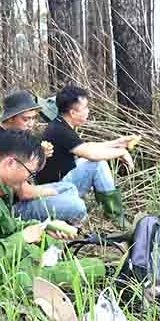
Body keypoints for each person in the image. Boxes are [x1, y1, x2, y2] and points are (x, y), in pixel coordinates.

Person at [0, 129, 105, 289]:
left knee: (52, 243)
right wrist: (23, 238)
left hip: (0, 258)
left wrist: (44, 227)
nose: (28, 179)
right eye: (29, 173)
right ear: (10, 163)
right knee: (84, 269)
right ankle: (109, 271)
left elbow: (5, 226)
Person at [37, 85, 136, 226]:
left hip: (57, 183)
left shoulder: (60, 124)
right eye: (85, 108)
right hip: (55, 192)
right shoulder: (61, 130)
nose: (88, 111)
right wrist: (121, 152)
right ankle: (116, 217)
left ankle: (113, 213)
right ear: (72, 112)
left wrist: (118, 143)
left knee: (92, 161)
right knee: (97, 164)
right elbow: (91, 154)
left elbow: (86, 147)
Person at [0, 90, 87, 223]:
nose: (31, 123)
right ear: (10, 118)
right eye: (26, 119)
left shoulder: (18, 133)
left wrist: (40, 156)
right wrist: (50, 192)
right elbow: (23, 192)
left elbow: (28, 171)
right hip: (13, 207)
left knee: (70, 188)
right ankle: (68, 218)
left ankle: (63, 215)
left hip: (26, 192)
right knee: (77, 206)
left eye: (33, 118)